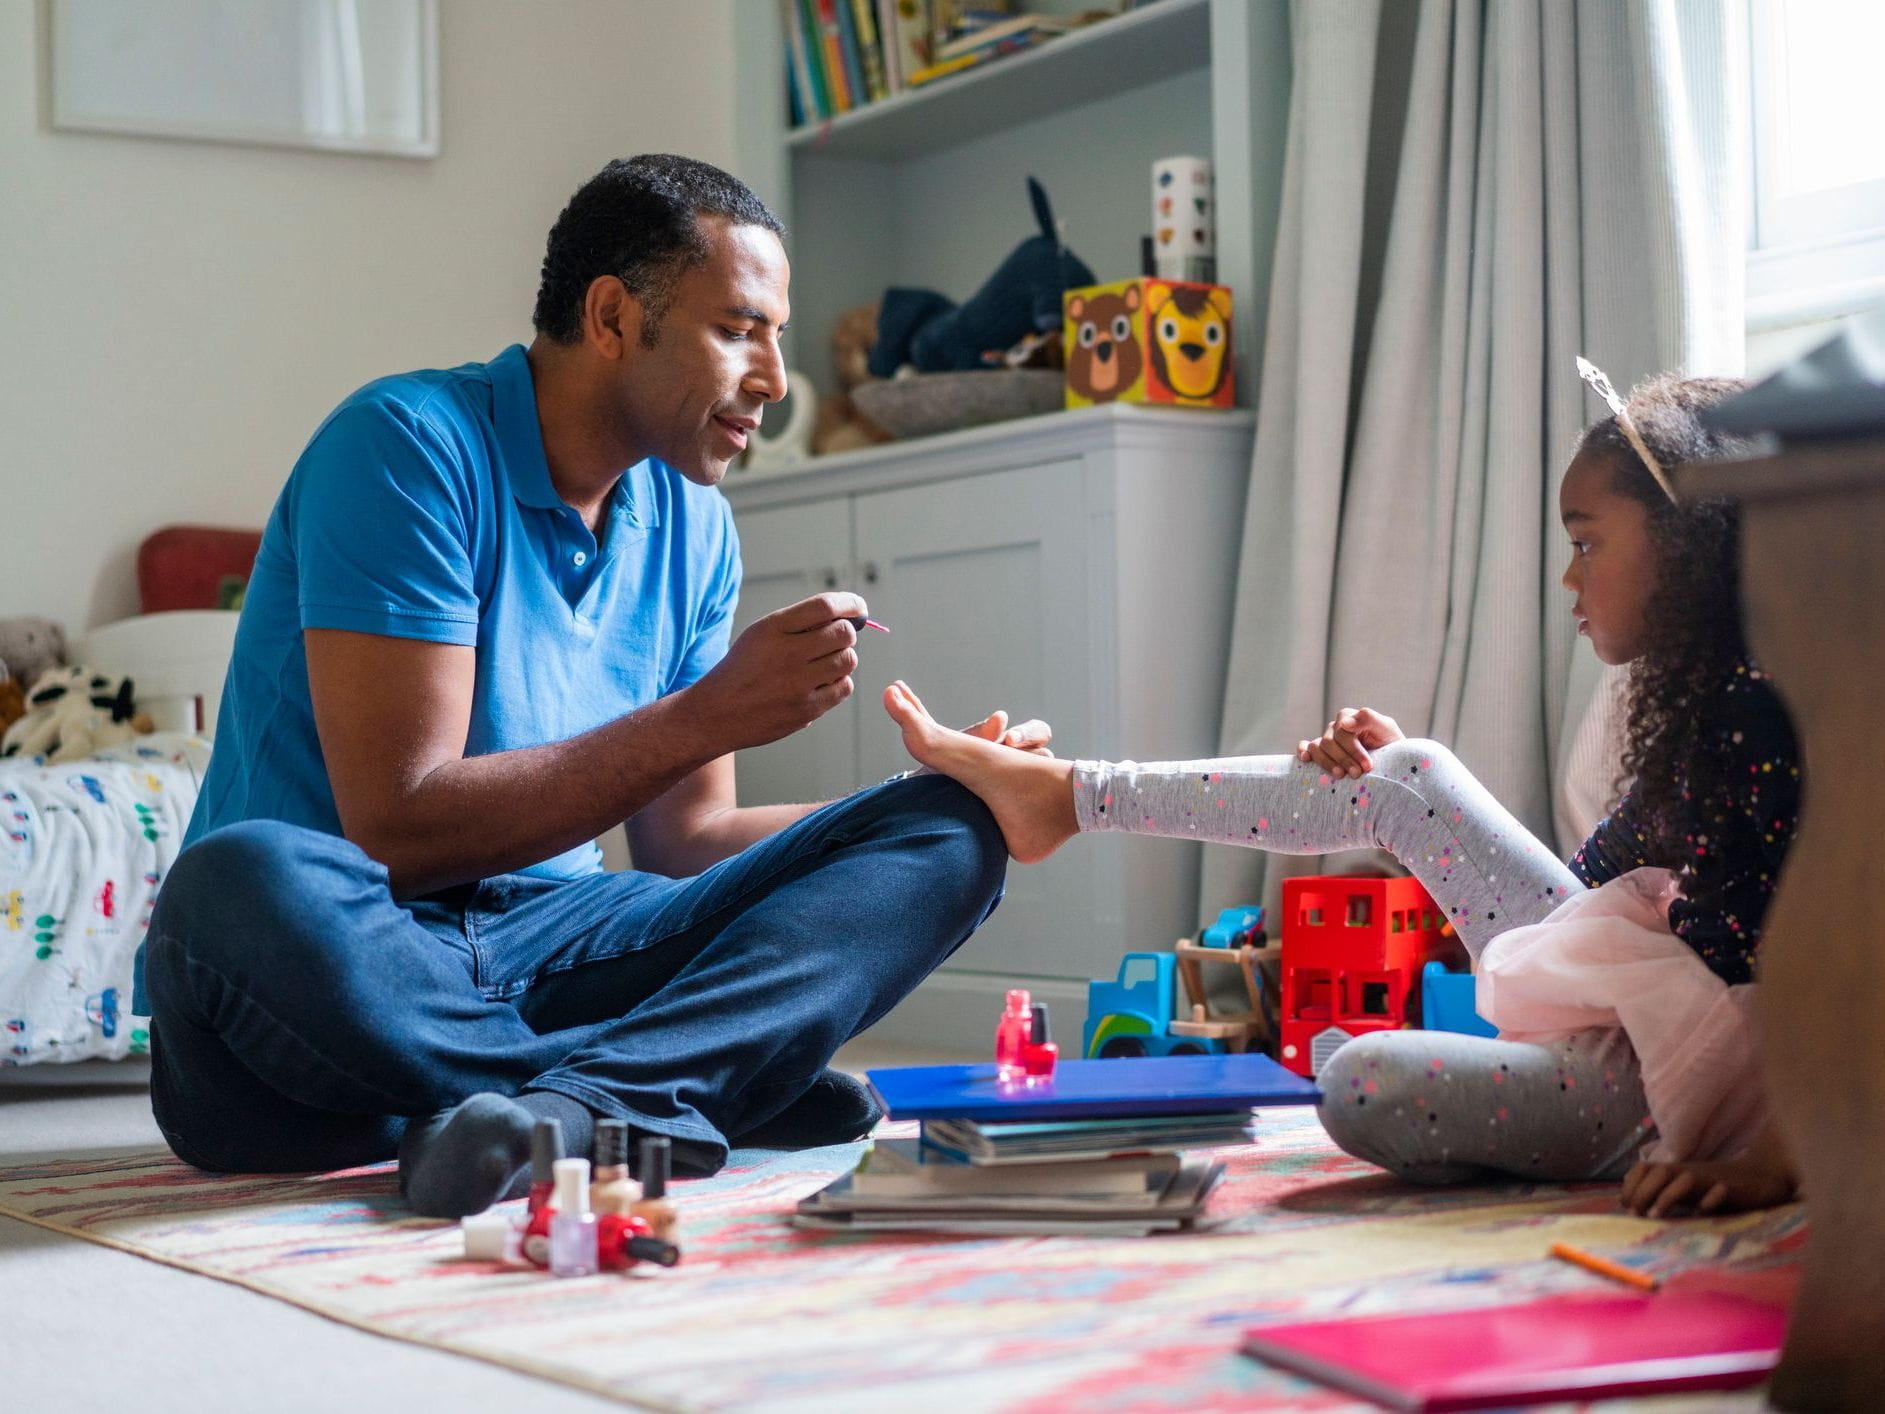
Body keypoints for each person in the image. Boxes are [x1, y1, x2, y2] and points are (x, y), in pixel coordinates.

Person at [137, 154, 1043, 1219]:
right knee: (231, 885)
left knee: (944, 834)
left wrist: (933, 792)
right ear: (612, 316)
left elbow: (688, 843)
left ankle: (574, 1108)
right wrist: (707, 714)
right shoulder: (403, 448)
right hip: (342, 966)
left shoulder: (695, 526)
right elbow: (400, 825)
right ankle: (679, 1080)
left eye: (778, 335)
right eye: (739, 328)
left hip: (552, 942)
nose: (775, 377)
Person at [881, 371, 1803, 1218]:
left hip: (1691, 1081)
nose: (1569, 576)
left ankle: (1579, 1126)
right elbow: (1582, 899)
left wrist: (1775, 1153)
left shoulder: (1770, 716)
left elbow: (1847, 960)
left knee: (1360, 1078)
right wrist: (1415, 805)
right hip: (1635, 1010)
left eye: (1585, 543)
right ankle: (1067, 797)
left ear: (1688, 542)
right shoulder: (1697, 700)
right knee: (1403, 773)